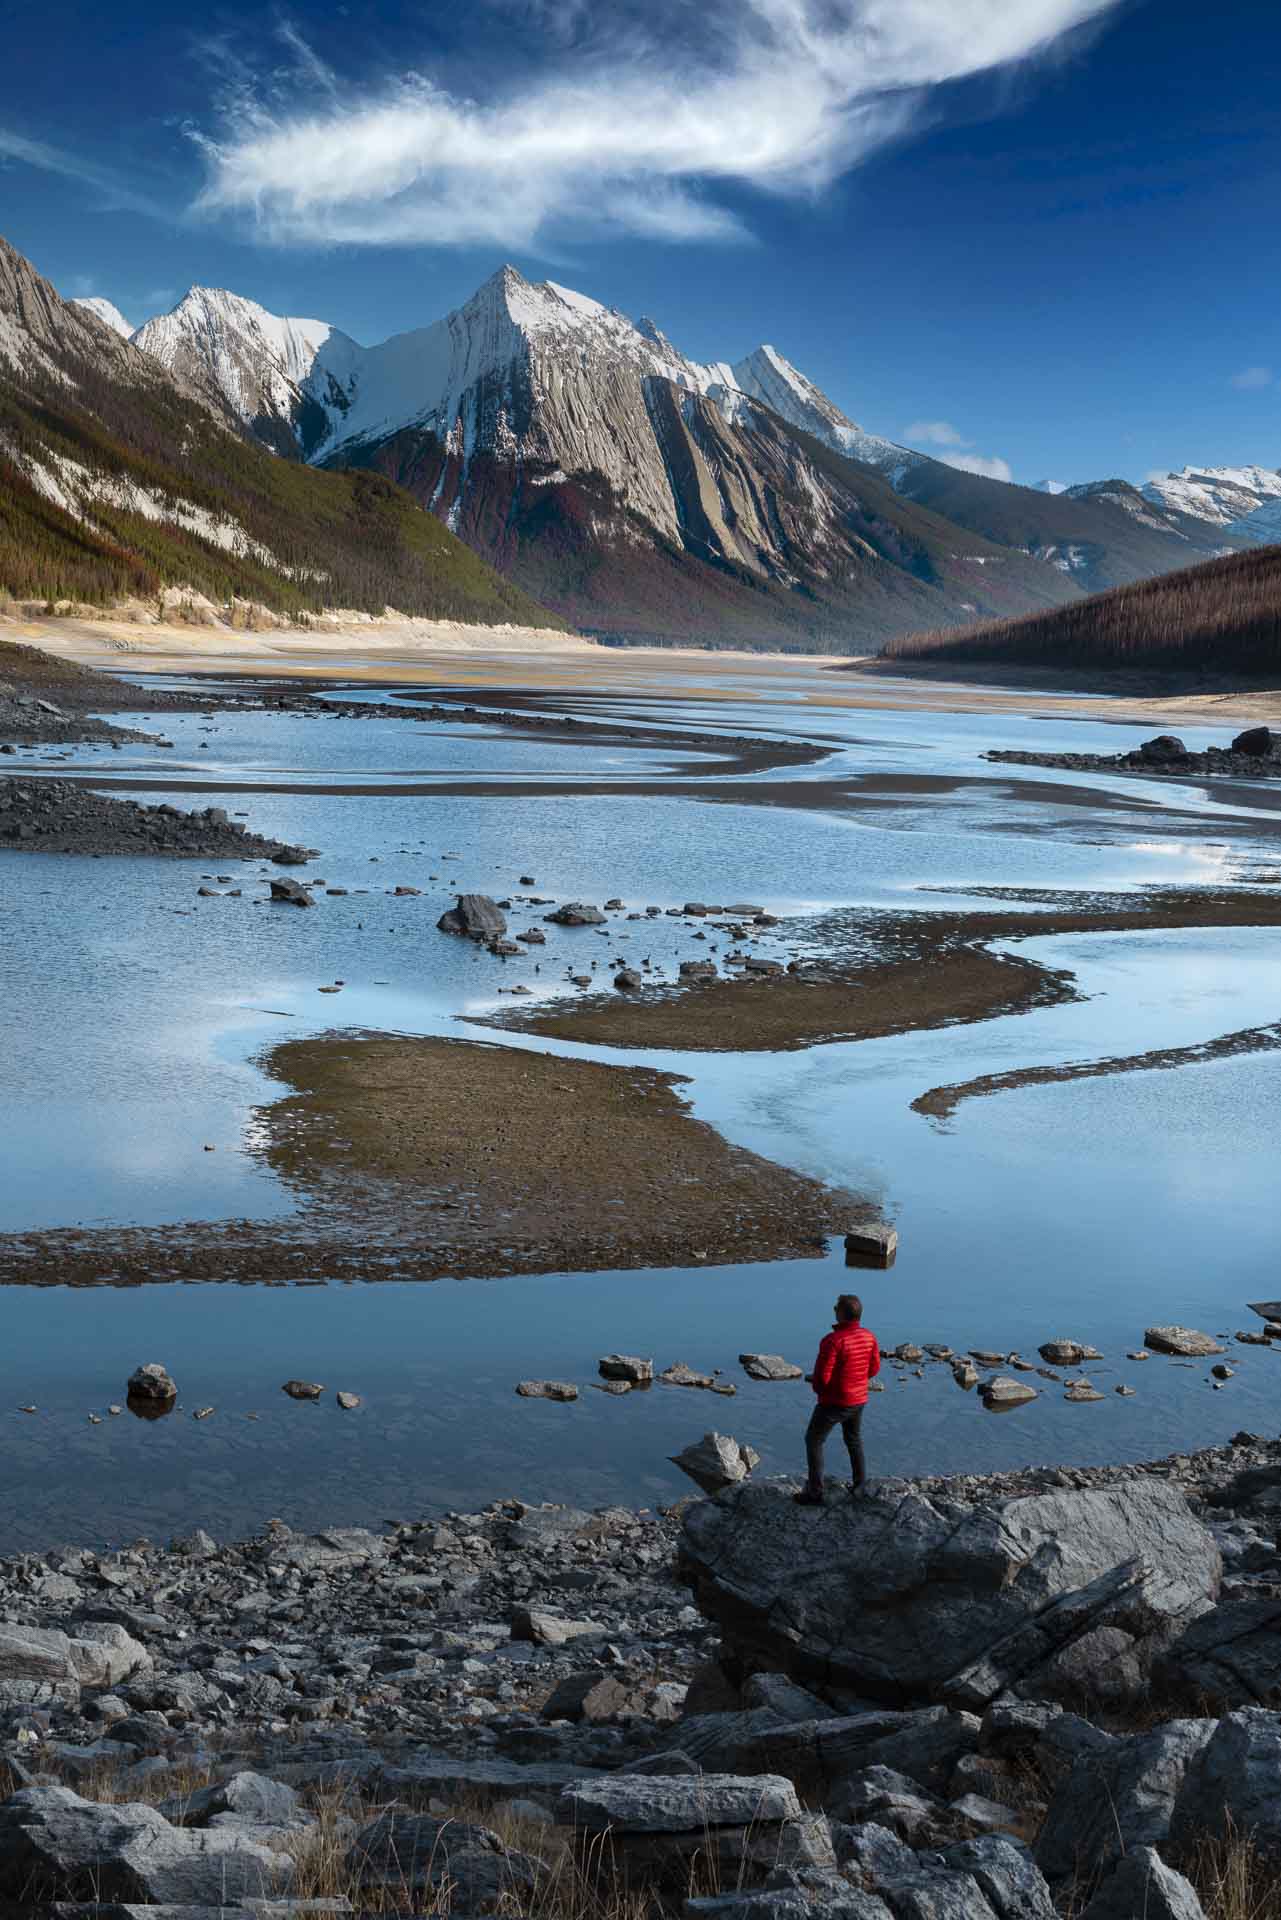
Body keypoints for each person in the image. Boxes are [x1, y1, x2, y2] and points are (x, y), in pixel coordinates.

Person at [794, 1293, 880, 1505]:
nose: (834, 1310)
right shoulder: (869, 1337)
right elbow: (874, 1368)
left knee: (814, 1440)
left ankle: (815, 1492)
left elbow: (822, 1378)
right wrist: (857, 1380)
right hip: (859, 1399)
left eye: (835, 1308)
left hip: (835, 1401)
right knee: (853, 1439)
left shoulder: (833, 1341)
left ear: (841, 1314)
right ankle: (860, 1486)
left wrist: (820, 1392)